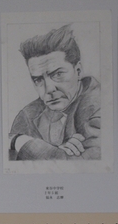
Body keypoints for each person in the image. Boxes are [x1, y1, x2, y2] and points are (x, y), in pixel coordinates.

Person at [8, 24, 100, 161]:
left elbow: (86, 163)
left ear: (78, 71)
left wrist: (18, 141)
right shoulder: (27, 115)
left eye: (58, 74)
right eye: (38, 80)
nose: (49, 89)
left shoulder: (99, 106)